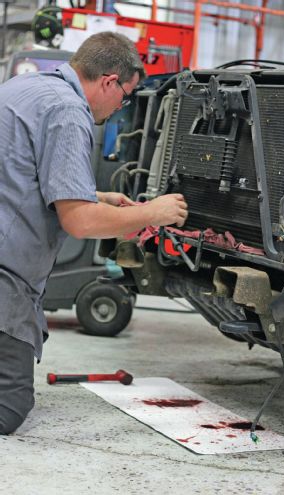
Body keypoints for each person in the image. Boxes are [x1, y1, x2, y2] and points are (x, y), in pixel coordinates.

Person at [0, 31, 188, 435]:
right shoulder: (69, 111)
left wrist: (94, 194)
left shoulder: (27, 85)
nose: (121, 106)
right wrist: (153, 212)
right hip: (5, 273)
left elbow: (22, 169)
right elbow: (80, 222)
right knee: (7, 410)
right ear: (107, 80)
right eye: (125, 95)